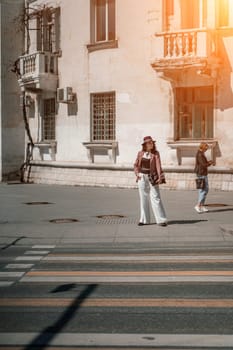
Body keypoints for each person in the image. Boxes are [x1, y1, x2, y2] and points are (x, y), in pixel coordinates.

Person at [134, 136, 168, 227]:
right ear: (145, 145)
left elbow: (158, 166)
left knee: (156, 197)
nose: (151, 144)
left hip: (152, 177)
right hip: (142, 177)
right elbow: (136, 165)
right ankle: (144, 220)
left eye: (152, 142)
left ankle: (161, 220)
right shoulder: (140, 153)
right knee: (143, 198)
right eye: (149, 143)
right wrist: (137, 174)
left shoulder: (156, 154)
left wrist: (160, 177)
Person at [194, 142, 213, 213]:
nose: (206, 150)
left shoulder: (201, 153)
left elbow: (203, 163)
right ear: (203, 147)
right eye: (206, 148)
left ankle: (201, 205)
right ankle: (198, 205)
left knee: (203, 190)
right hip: (201, 173)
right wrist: (210, 163)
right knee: (204, 190)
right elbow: (203, 164)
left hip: (202, 173)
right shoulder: (200, 154)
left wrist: (209, 162)